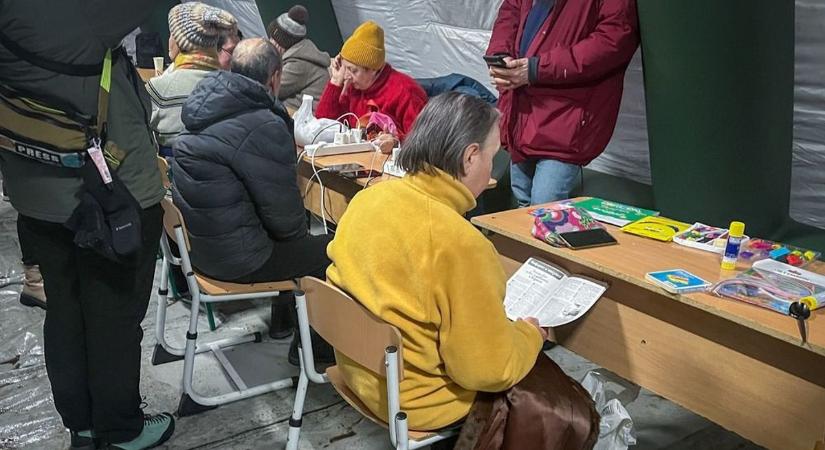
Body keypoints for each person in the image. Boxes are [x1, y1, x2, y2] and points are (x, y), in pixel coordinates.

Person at [0, 1, 173, 449]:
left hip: (34, 192)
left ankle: (82, 425)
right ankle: (120, 430)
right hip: (107, 196)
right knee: (113, 318)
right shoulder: (80, 12)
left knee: (64, 312)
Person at [326, 92, 546, 431]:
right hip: (421, 401)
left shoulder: (368, 199)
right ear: (470, 157)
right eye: (493, 154)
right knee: (556, 396)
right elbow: (487, 370)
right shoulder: (459, 242)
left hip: (362, 373)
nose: (493, 168)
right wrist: (531, 334)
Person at [171, 38, 333, 364]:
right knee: (332, 249)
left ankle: (284, 323)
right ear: (275, 77)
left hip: (200, 251)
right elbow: (286, 220)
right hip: (239, 260)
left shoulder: (205, 105)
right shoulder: (262, 123)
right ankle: (313, 351)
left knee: (292, 240)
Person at [487, 0, 639, 206]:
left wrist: (538, 69)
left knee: (544, 206)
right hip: (521, 109)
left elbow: (613, 41)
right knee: (522, 204)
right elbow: (511, 11)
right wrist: (500, 55)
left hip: (565, 118)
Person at [316, 21, 428, 153]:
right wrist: (335, 81)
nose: (346, 75)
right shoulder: (355, 88)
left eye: (353, 70)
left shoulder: (406, 91)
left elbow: (423, 141)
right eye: (344, 68)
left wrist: (396, 142)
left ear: (373, 70)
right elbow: (324, 126)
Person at [148, 3, 237, 152]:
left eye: (172, 34)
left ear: (182, 41)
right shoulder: (233, 87)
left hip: (172, 171)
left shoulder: (159, 89)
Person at [267, 5, 331, 111]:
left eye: (273, 39)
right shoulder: (300, 53)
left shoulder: (298, 64)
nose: (269, 42)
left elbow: (270, 89)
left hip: (305, 120)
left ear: (281, 43)